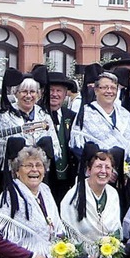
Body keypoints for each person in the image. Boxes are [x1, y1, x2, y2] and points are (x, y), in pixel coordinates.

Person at [70, 72, 130, 215]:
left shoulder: (125, 114)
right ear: (96, 90)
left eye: (113, 88)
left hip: (122, 178)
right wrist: (103, 169)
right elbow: (77, 146)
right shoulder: (85, 113)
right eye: (104, 87)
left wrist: (124, 170)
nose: (109, 91)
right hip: (95, 178)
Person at [0, 73, 61, 163]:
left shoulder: (44, 116)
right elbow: (0, 150)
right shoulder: (5, 116)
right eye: (24, 91)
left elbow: (55, 148)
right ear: (16, 93)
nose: (28, 96)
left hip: (39, 169)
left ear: (38, 94)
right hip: (13, 170)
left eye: (32, 92)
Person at [46, 72, 78, 205]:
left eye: (59, 90)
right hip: (46, 177)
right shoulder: (38, 114)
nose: (54, 94)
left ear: (65, 94)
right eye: (51, 90)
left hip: (67, 179)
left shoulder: (73, 116)